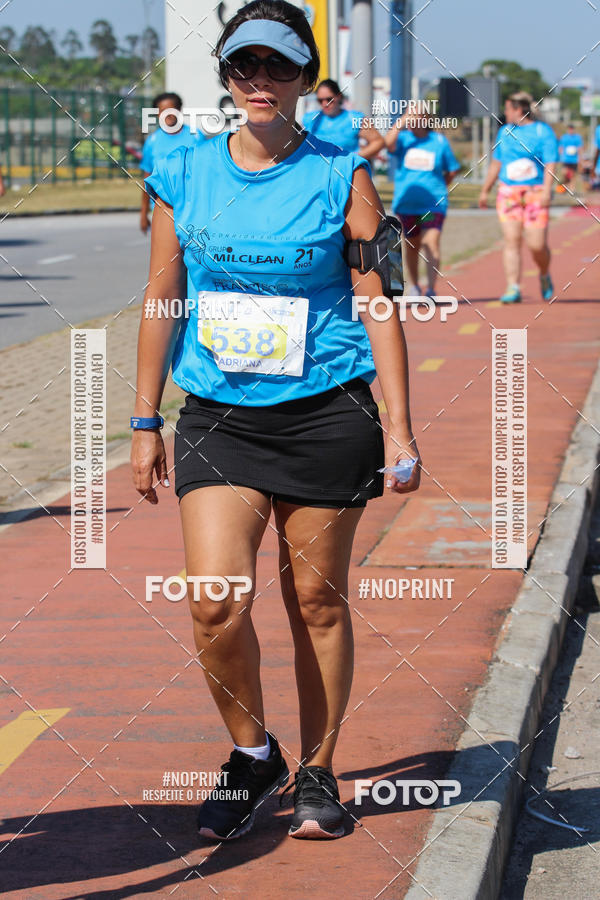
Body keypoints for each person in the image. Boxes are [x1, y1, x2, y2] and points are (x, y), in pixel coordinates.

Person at [131, 0, 420, 843]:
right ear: (227, 76)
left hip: (327, 414)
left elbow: (378, 302)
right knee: (216, 603)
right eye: (244, 66)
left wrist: (399, 428)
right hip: (220, 416)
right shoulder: (183, 169)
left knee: (315, 602)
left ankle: (320, 770)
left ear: (303, 77)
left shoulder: (342, 175)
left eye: (280, 67)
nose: (261, 82)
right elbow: (163, 295)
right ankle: (252, 754)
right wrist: (144, 418)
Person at [479, 91, 558, 303]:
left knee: (536, 245)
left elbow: (550, 163)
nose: (504, 113)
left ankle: (544, 273)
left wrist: (546, 190)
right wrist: (485, 189)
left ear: (518, 110)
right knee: (511, 241)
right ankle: (513, 286)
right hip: (508, 192)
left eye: (507, 109)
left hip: (535, 192)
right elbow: (497, 162)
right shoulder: (504, 132)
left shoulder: (543, 132)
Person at [384, 113, 460, 298]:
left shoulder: (439, 141)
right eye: (409, 115)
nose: (411, 119)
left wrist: (440, 186)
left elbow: (452, 169)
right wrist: (400, 122)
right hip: (406, 205)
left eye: (415, 115)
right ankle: (416, 285)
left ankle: (432, 289)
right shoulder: (403, 139)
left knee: (430, 242)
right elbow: (387, 144)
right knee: (411, 245)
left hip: (432, 205)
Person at [139, 92, 206, 234]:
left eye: (171, 110)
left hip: (192, 208)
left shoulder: (197, 136)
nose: (167, 115)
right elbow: (147, 179)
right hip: (162, 208)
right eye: (162, 111)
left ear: (179, 110)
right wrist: (143, 213)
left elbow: (207, 173)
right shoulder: (152, 142)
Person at [302, 78, 384, 158]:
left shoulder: (355, 118)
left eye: (329, 99)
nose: (325, 104)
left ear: (339, 96)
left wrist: (353, 158)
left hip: (346, 171)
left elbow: (378, 142)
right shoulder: (310, 119)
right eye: (320, 100)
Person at [557, 123, 583, 192]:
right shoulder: (564, 137)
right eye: (569, 129)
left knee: (573, 175)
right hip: (565, 158)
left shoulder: (577, 137)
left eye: (572, 129)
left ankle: (572, 189)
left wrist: (580, 159)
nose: (571, 131)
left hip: (574, 159)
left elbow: (579, 148)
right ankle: (565, 185)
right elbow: (561, 147)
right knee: (564, 173)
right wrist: (559, 157)